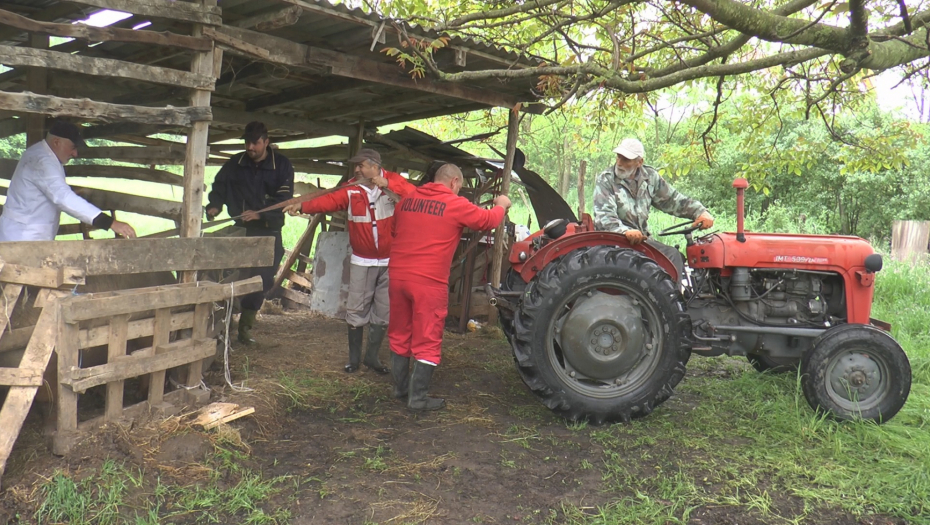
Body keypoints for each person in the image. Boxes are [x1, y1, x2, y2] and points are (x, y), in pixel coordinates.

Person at [388, 163, 512, 411]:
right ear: (454, 181)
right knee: (428, 337)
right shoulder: (453, 204)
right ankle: (418, 399)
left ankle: (400, 389)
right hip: (428, 281)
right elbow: (486, 221)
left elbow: (394, 230)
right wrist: (502, 204)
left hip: (397, 277)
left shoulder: (408, 200)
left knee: (400, 332)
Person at [284, 148, 415, 374]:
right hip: (362, 261)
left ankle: (371, 358)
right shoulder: (351, 188)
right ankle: (354, 360)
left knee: (383, 312)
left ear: (375, 166)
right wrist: (302, 205)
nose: (357, 169)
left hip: (390, 261)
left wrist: (390, 185)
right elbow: (328, 200)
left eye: (361, 165)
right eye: (356, 166)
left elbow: (415, 196)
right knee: (355, 309)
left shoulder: (393, 182)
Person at [206, 121, 294, 344]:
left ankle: (245, 328)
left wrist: (261, 214)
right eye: (247, 142)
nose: (250, 147)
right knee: (230, 274)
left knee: (262, 279)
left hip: (268, 231)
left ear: (266, 142)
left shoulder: (281, 166)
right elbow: (220, 185)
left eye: (255, 143)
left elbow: (284, 199)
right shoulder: (236, 162)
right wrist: (214, 205)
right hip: (240, 230)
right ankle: (223, 323)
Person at [593, 137, 714, 276]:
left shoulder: (650, 177)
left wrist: (700, 211)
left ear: (639, 162)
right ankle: (672, 297)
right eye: (618, 157)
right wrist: (624, 232)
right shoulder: (606, 179)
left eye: (626, 159)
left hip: (641, 241)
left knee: (677, 257)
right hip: (616, 242)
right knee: (672, 257)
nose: (619, 163)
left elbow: (672, 200)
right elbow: (604, 217)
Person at [0, 120, 136, 241]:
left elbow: (47, 189)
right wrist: (110, 223)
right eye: (73, 147)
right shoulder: (43, 161)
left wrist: (73, 193)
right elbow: (62, 197)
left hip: (26, 233)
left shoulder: (40, 153)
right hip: (23, 236)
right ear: (56, 142)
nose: (75, 154)